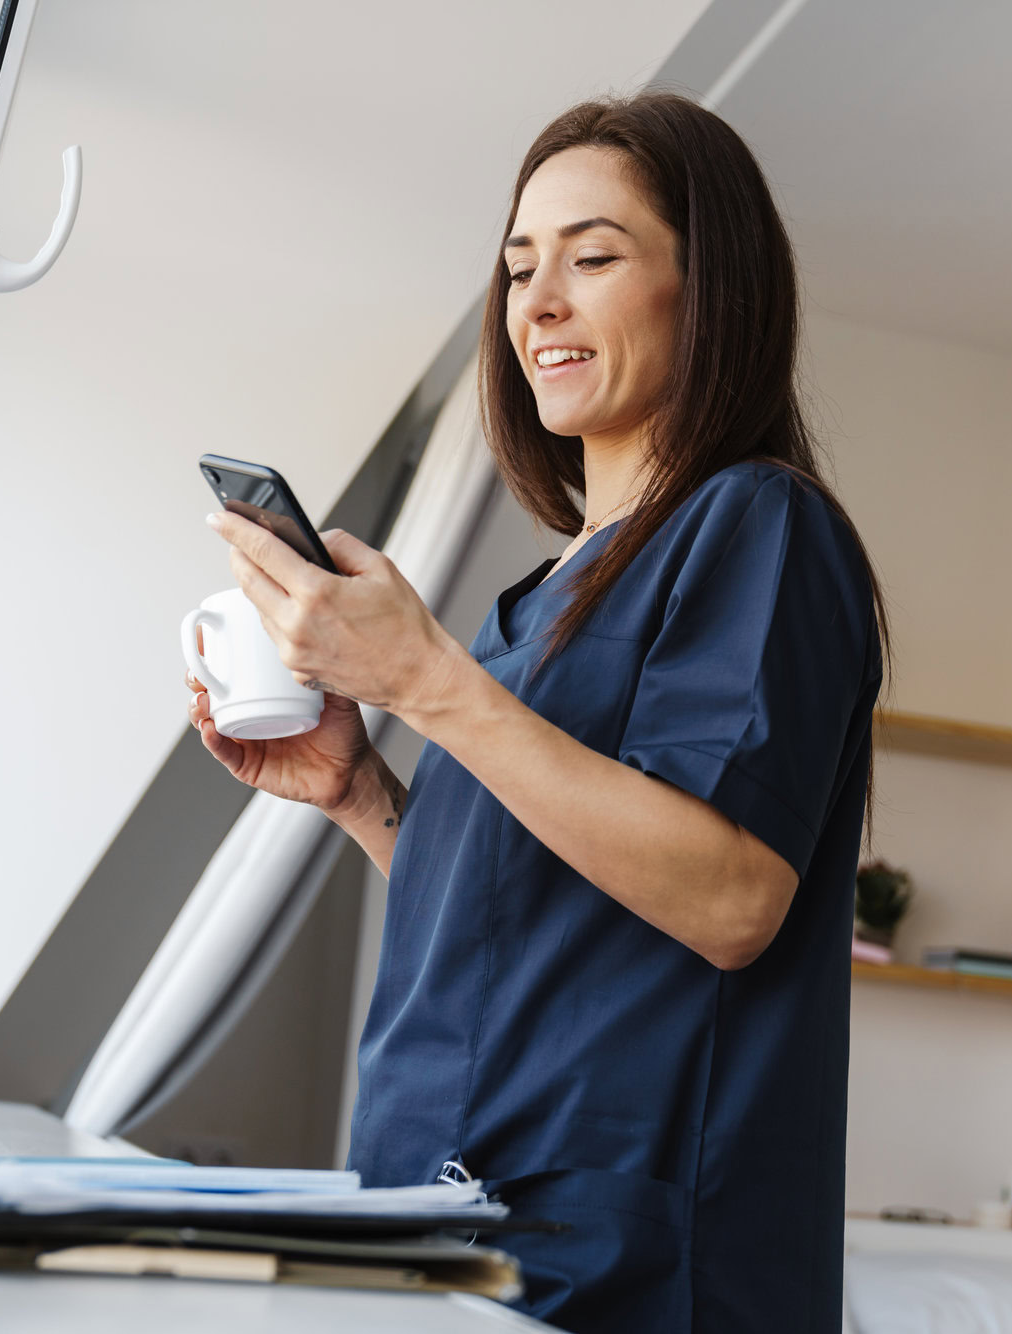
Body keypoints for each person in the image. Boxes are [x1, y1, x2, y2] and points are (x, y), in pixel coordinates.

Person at [188, 92, 887, 1333]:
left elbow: (730, 899)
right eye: (519, 268)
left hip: (617, 1266)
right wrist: (362, 792)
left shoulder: (758, 525)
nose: (538, 303)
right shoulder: (545, 595)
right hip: (435, 1216)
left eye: (592, 257)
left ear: (709, 287)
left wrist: (424, 679)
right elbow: (532, 914)